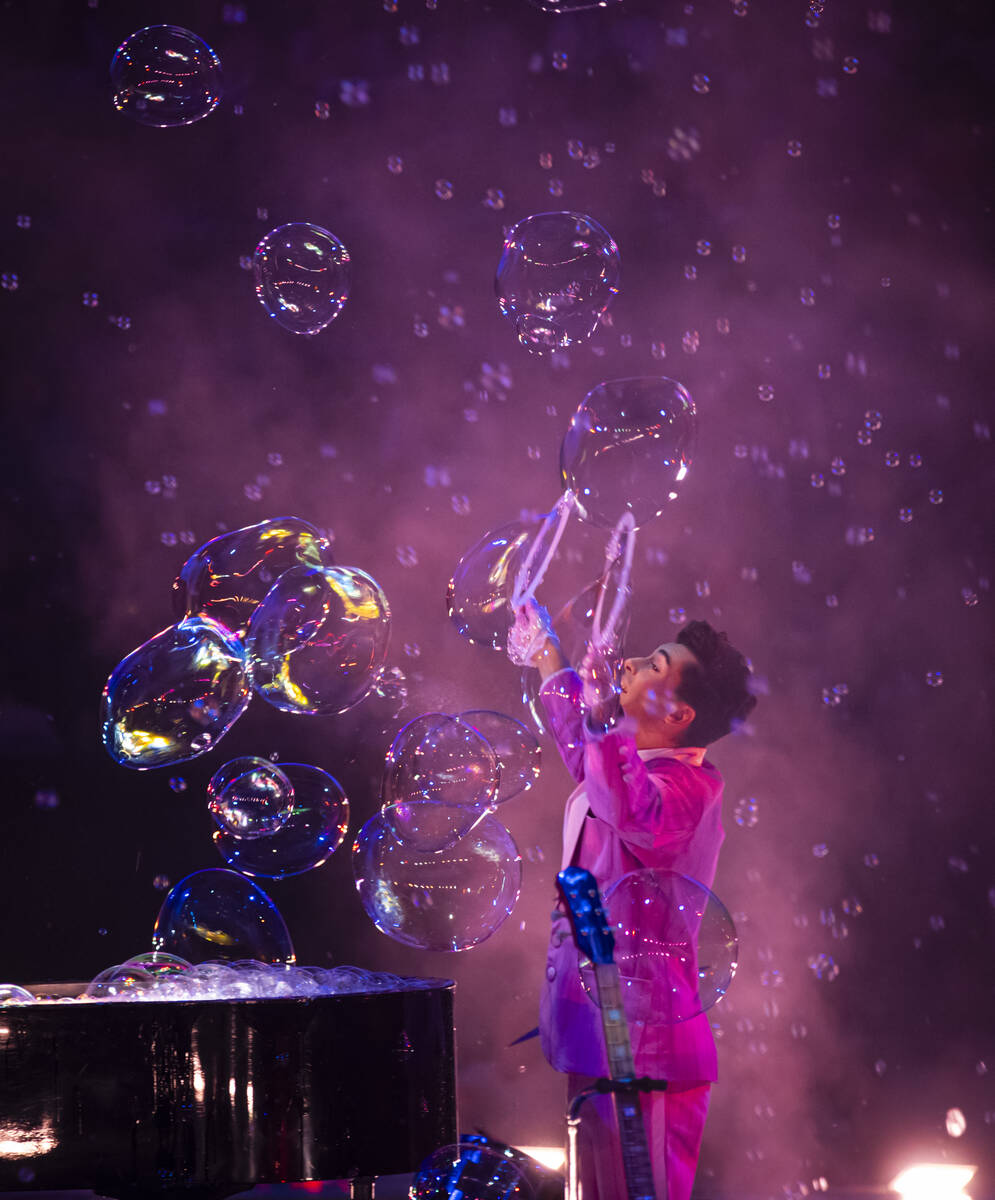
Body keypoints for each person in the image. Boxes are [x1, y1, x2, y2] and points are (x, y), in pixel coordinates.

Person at [511, 601, 757, 1200]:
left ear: (677, 713)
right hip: (602, 1034)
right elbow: (586, 753)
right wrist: (546, 650)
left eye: (657, 664)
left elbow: (625, 800)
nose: (637, 661)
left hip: (645, 1054)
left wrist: (603, 710)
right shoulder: (634, 766)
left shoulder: (686, 792)